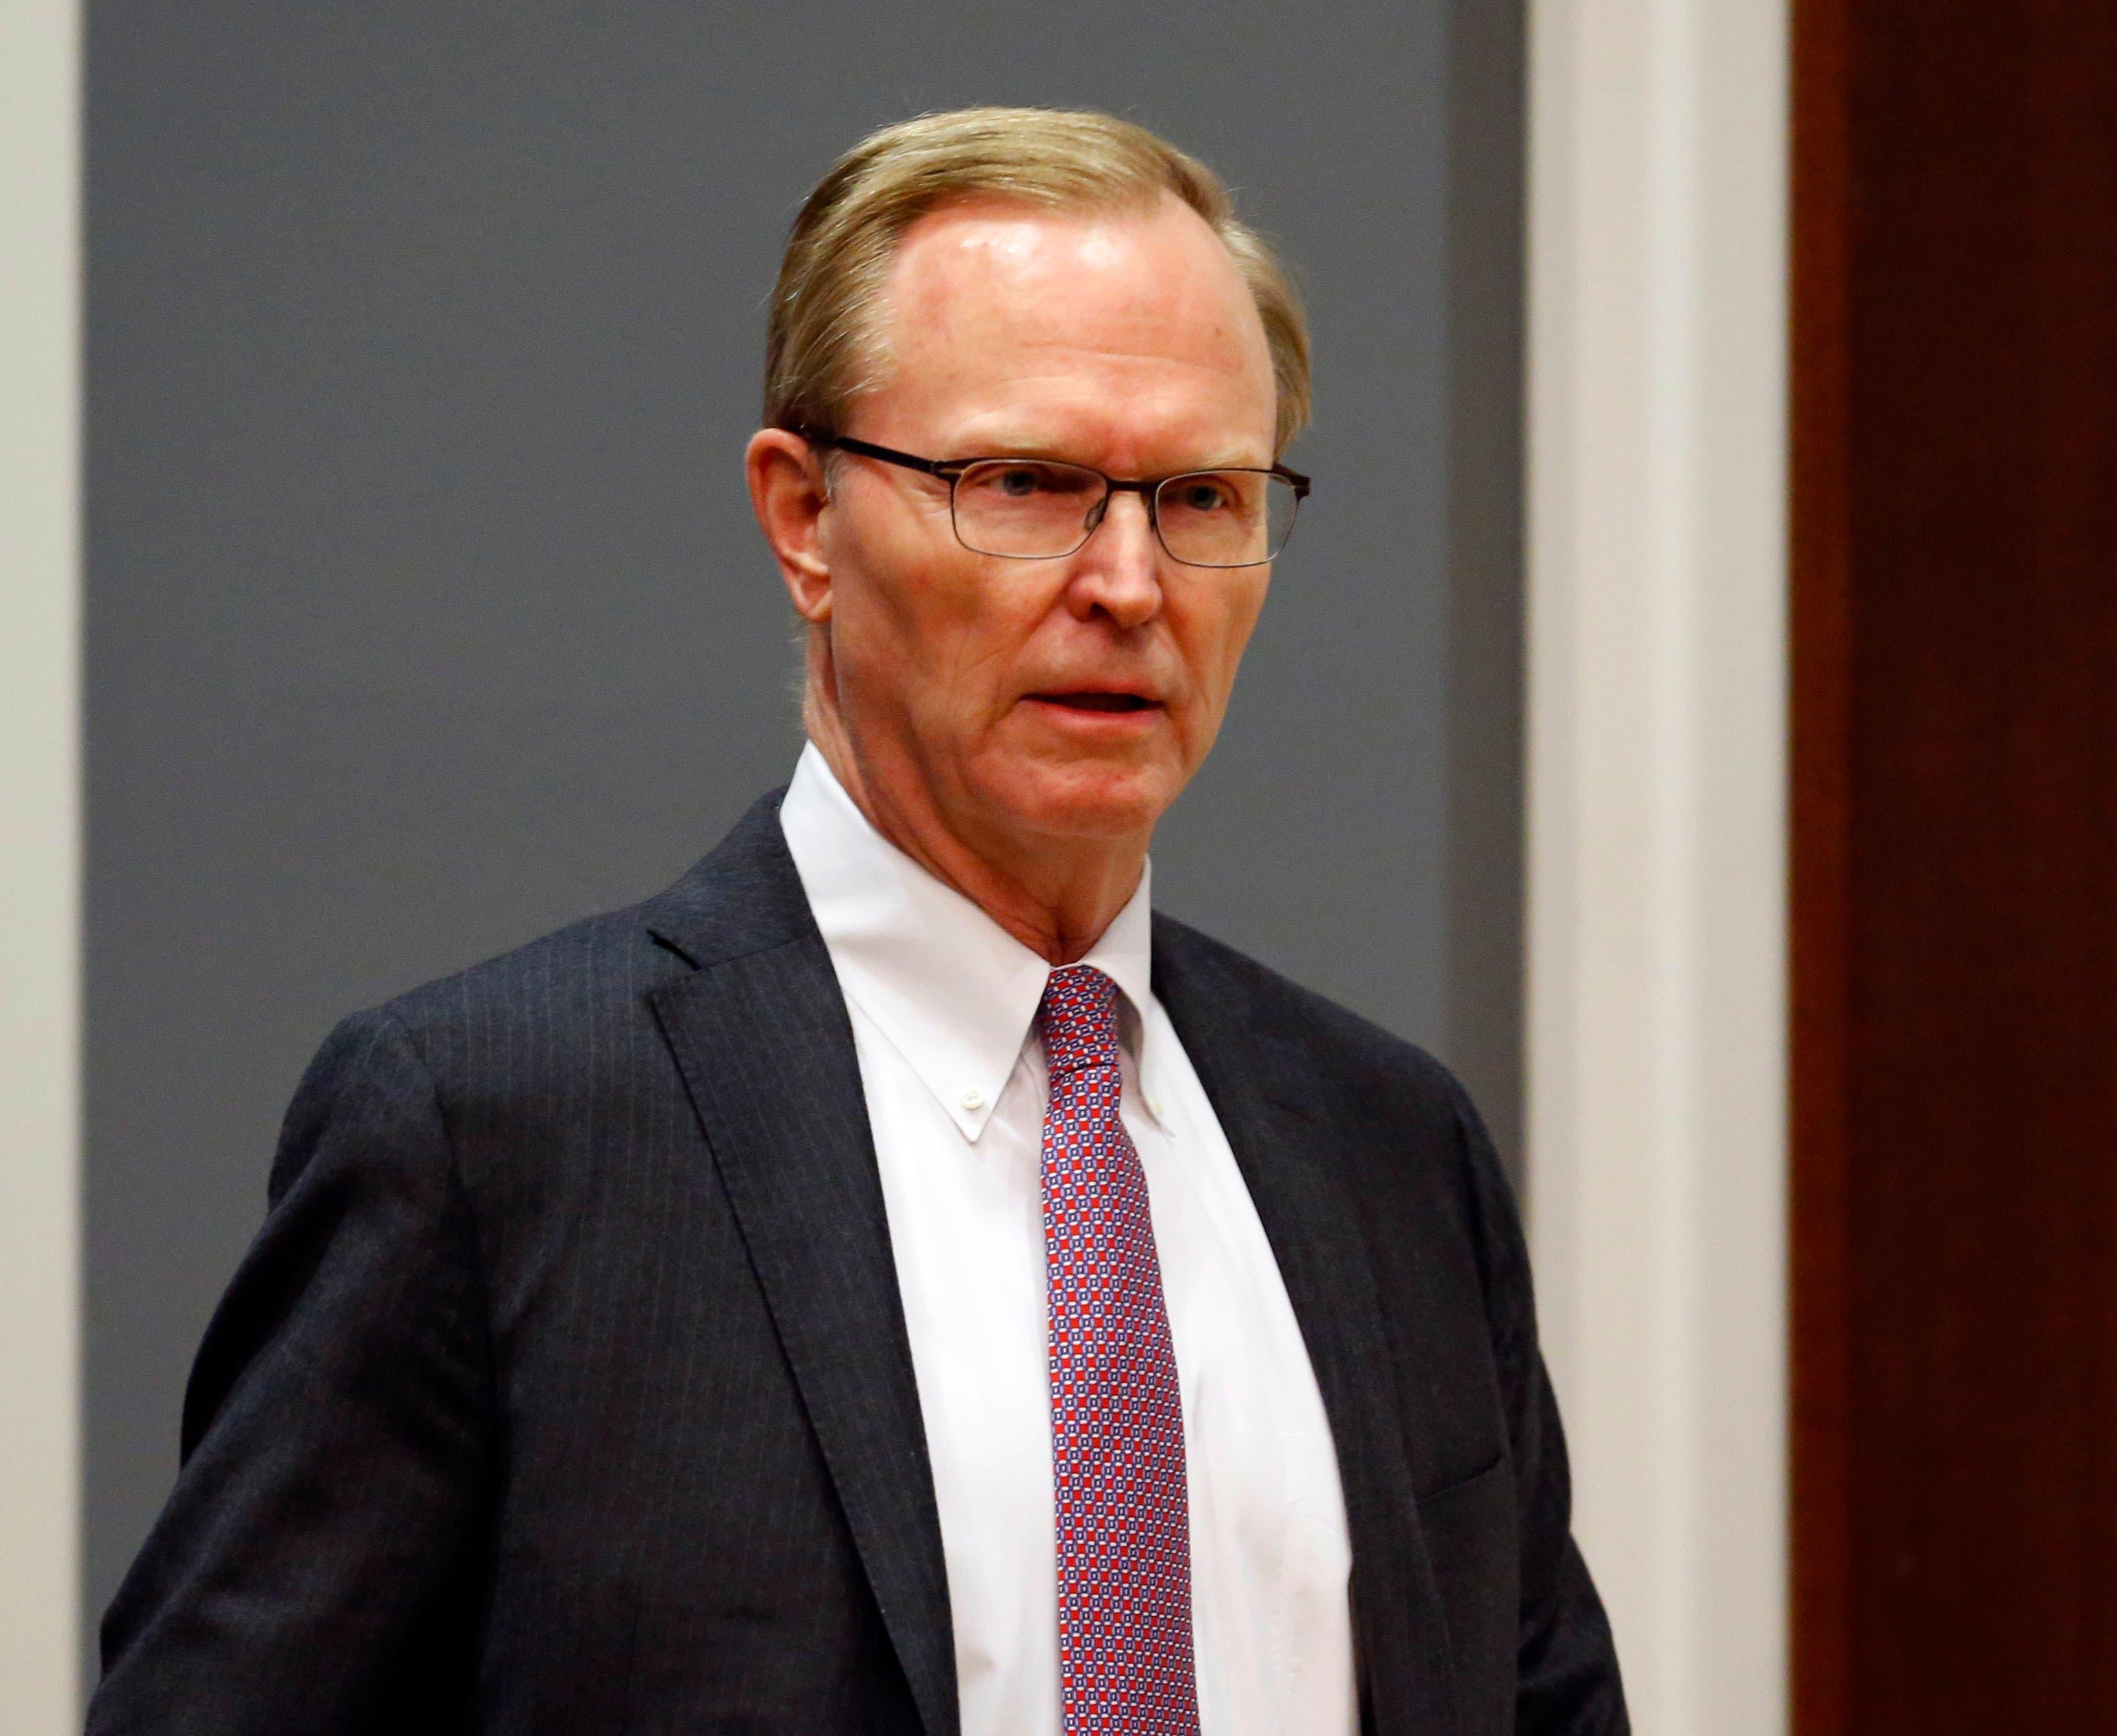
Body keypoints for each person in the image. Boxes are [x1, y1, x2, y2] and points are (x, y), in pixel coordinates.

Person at [89, 107, 1625, 1735]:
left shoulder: (1391, 1151)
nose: (1128, 580)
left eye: (1197, 493)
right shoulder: (494, 1130)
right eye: (1025, 482)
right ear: (804, 518)